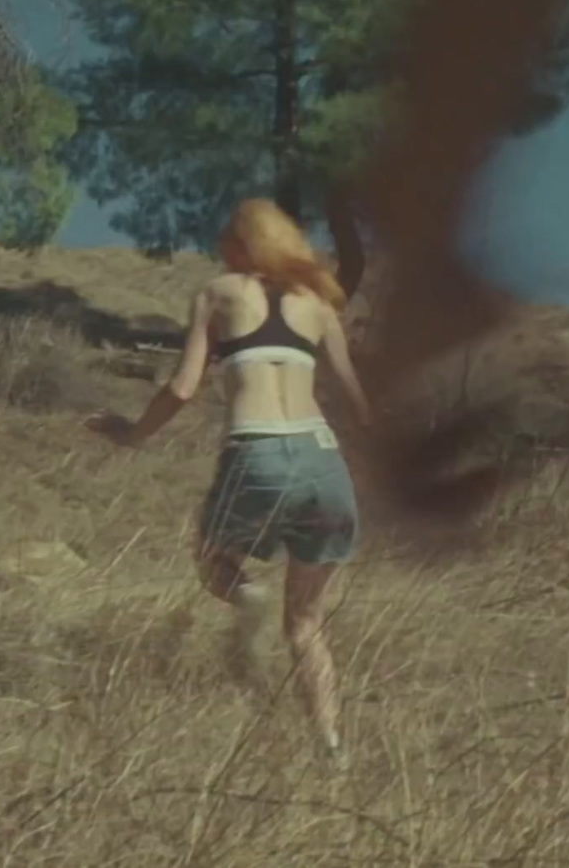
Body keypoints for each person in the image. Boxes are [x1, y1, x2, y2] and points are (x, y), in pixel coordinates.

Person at [85, 198, 372, 766]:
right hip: (323, 462)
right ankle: (332, 748)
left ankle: (251, 600)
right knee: (308, 623)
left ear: (241, 245)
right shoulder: (319, 303)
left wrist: (132, 433)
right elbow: (359, 403)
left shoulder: (216, 294)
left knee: (212, 560)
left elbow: (184, 387)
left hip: (259, 453)